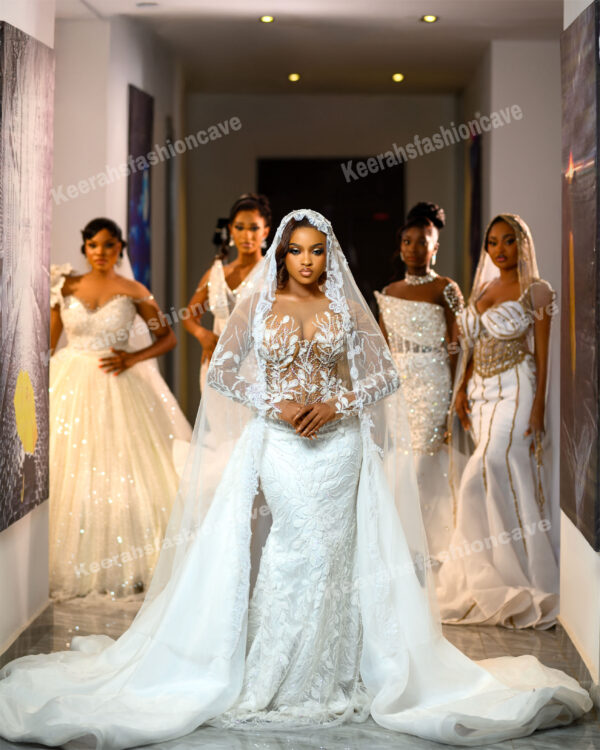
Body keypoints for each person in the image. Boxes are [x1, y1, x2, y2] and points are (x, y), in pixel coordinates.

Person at [0, 210, 590, 748]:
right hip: (280, 444)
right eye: (296, 251)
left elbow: (385, 376)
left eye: (317, 251)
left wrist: (337, 404)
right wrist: (275, 403)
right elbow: (224, 372)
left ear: (329, 255)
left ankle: (334, 669)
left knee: (334, 553)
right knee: (292, 548)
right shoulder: (260, 305)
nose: (307, 260)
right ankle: (275, 669)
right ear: (282, 255)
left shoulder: (344, 308)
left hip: (340, 445)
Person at [48, 218, 192, 600]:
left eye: (109, 245)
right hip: (69, 382)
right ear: (84, 247)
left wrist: (132, 358)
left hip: (119, 382)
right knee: (68, 468)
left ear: (120, 248)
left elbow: (168, 337)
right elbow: (47, 344)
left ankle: (130, 563)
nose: (101, 252)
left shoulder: (134, 290)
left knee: (121, 469)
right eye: (93, 245)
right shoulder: (64, 286)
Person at [437, 214, 559, 629]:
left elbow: (542, 352)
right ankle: (490, 571)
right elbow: (473, 345)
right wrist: (461, 389)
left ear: (523, 244)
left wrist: (539, 406)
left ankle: (525, 575)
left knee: (487, 466)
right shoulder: (484, 289)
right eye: (493, 242)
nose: (500, 249)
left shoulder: (537, 290)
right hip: (481, 394)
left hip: (517, 387)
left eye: (509, 241)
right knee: (495, 475)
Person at [375, 202, 463, 565]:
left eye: (422, 242)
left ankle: (432, 545)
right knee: (401, 461)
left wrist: (457, 391)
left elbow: (458, 344)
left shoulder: (446, 288)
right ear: (400, 246)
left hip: (434, 382)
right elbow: (383, 349)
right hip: (400, 387)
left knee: (423, 462)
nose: (413, 248)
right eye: (407, 241)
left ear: (435, 247)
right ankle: (404, 545)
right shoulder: (390, 291)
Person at [182, 192, 271, 392]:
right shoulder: (215, 274)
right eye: (240, 227)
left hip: (258, 370)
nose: (246, 235)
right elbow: (188, 316)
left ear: (265, 231)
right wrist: (202, 334)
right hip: (216, 367)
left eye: (254, 228)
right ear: (230, 229)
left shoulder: (275, 274)